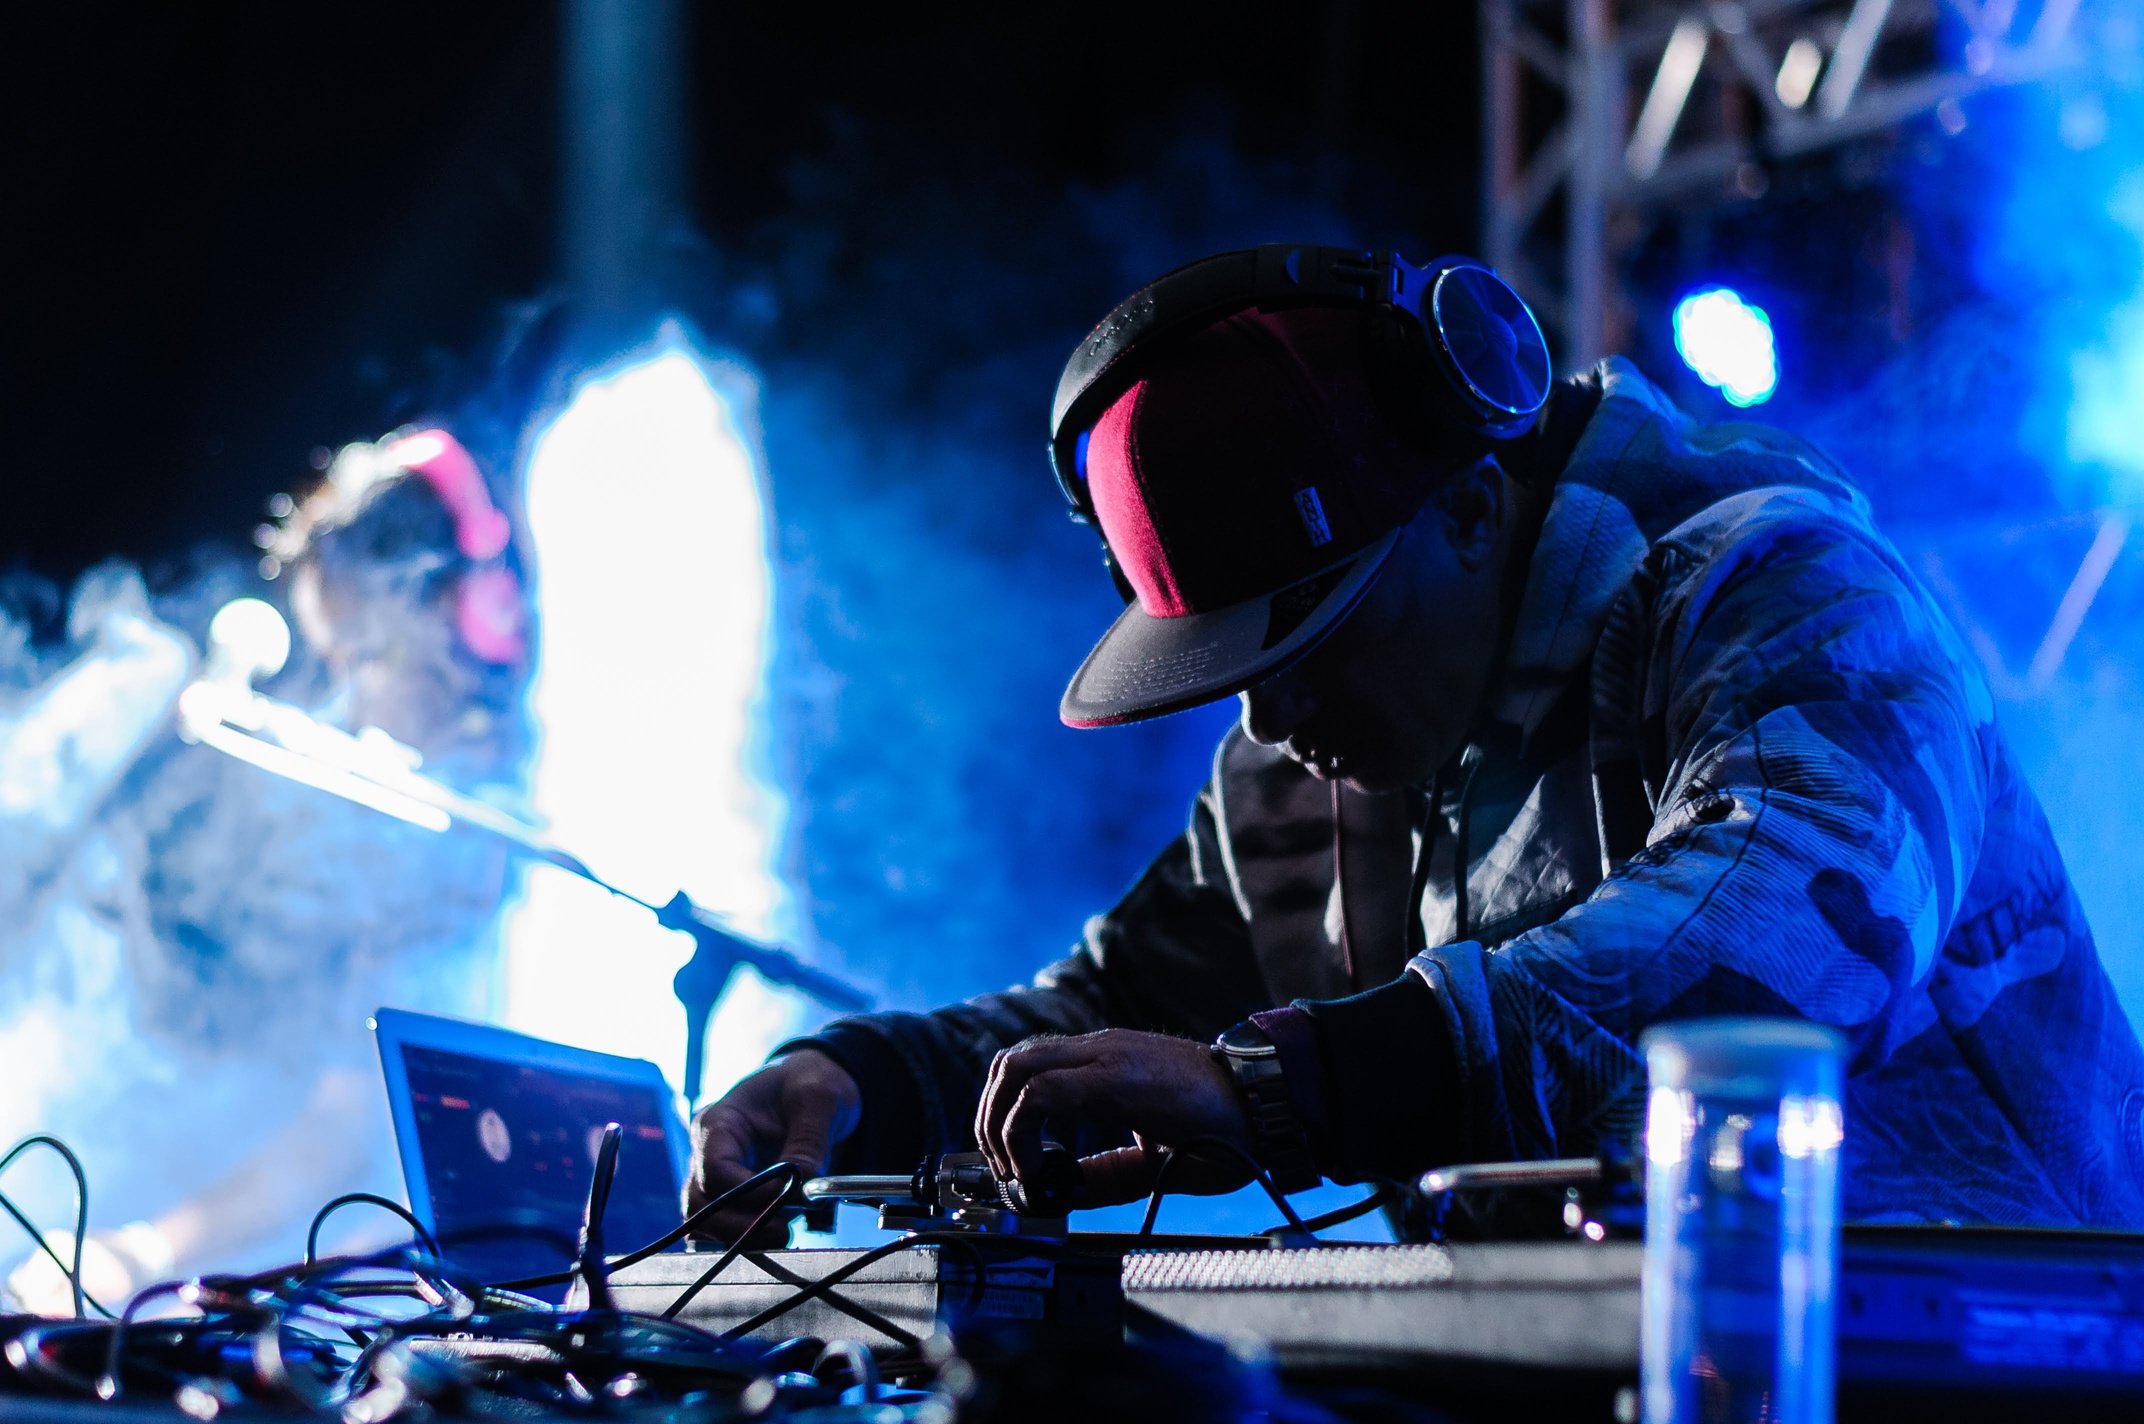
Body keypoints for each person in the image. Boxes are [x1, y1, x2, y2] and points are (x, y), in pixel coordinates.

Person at [688, 245, 2144, 1239]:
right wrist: (863, 1084)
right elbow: (1116, 1016)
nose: (1270, 719)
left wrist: (1287, 1086)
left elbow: (1787, 947)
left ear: (1468, 507)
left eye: (1315, 642)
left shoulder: (1784, 594)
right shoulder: (1305, 770)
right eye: (1239, 666)